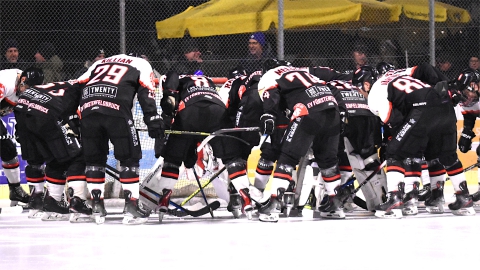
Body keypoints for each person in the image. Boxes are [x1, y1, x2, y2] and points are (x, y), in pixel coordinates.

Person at [368, 63, 476, 218]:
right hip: (446, 105)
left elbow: (396, 121)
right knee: (446, 154)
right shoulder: (401, 73)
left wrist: (397, 142)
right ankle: (462, 197)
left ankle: (395, 201)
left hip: (422, 110)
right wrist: (444, 85)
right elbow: (425, 68)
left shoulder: (374, 95)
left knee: (394, 152)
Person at [77, 52, 164, 225]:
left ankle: (96, 206)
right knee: (129, 157)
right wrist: (152, 118)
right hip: (116, 108)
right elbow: (147, 92)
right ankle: (132, 207)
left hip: (87, 108)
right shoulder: (142, 64)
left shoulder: (100, 63)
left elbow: (77, 84)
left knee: (94, 160)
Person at [140, 71, 234, 221]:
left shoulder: (172, 80)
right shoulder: (207, 80)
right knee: (231, 157)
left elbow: (168, 108)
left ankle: (160, 198)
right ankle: (239, 196)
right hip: (216, 118)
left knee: (172, 160)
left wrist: (163, 148)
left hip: (189, 117)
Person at [256, 59, 343, 222]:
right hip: (332, 108)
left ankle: (274, 203)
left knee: (287, 157)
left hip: (307, 110)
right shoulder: (304, 72)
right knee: (328, 160)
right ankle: (335, 204)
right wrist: (342, 111)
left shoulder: (270, 75)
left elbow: (270, 94)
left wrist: (269, 115)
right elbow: (331, 88)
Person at [14, 69, 91, 222]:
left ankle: (51, 203)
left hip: (22, 106)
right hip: (47, 113)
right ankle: (78, 202)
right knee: (77, 155)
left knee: (54, 156)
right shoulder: (87, 91)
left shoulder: (66, 84)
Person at [0, 68, 31, 208]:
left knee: (9, 150)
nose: (27, 93)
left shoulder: (28, 86)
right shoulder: (5, 82)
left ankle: (15, 190)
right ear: (21, 81)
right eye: (27, 89)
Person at [453, 68, 480, 205]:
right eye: (463, 92)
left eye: (467, 90)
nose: (466, 95)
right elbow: (470, 117)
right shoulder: (466, 101)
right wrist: (466, 134)